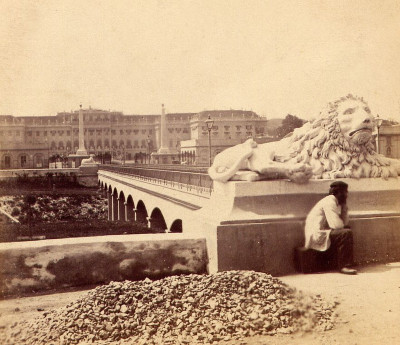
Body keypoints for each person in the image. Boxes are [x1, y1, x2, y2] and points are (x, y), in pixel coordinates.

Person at [304, 181, 357, 275]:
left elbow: (344, 223)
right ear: (338, 192)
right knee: (345, 233)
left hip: (323, 231)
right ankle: (344, 266)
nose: (346, 195)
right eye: (345, 192)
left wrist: (344, 208)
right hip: (317, 234)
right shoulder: (329, 202)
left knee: (346, 230)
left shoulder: (336, 202)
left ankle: (346, 262)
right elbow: (336, 225)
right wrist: (343, 218)